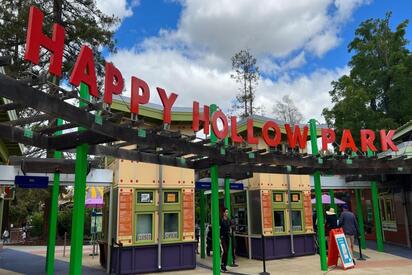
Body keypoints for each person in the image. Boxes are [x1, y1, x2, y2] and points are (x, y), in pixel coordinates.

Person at [220, 208, 230, 272]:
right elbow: (219, 228)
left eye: (227, 212)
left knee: (227, 252)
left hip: (227, 237)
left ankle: (225, 266)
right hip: (223, 237)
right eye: (226, 212)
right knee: (225, 251)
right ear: (223, 213)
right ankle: (222, 265)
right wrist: (220, 237)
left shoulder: (228, 220)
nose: (227, 213)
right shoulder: (221, 220)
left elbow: (231, 226)